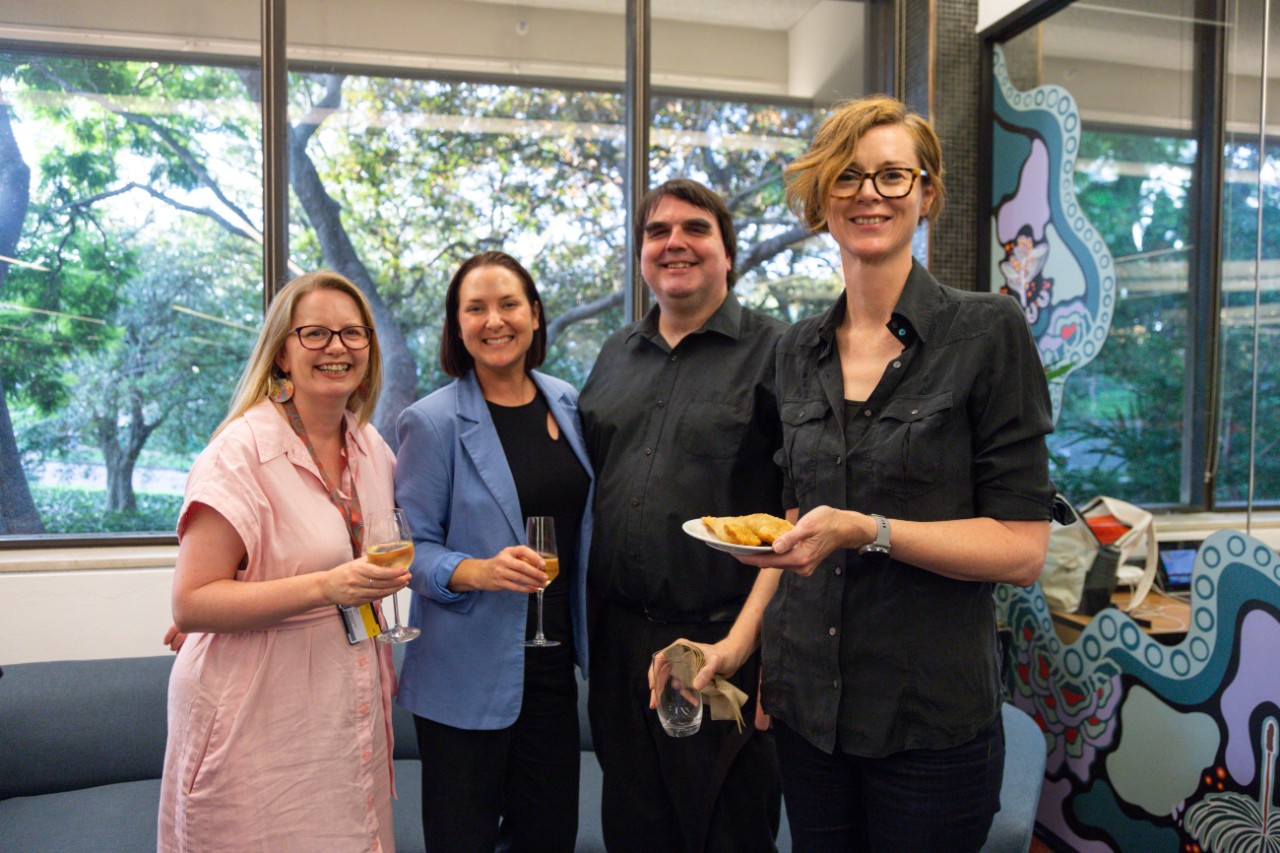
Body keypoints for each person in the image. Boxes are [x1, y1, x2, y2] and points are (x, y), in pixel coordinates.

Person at [715, 95, 1056, 851]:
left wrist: (871, 530)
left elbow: (1022, 549)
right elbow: (793, 532)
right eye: (848, 176)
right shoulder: (794, 350)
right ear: (820, 198)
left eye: (894, 176)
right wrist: (739, 649)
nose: (869, 193)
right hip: (809, 717)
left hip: (929, 725)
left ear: (927, 194)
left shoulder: (987, 332)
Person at [157, 270, 411, 852]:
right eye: (315, 333)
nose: (337, 348)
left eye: (353, 334)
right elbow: (193, 602)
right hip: (258, 721)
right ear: (281, 353)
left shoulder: (372, 449)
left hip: (345, 712)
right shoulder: (240, 452)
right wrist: (327, 586)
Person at [578, 178, 785, 853]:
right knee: (634, 831)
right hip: (619, 649)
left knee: (726, 834)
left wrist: (767, 654)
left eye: (695, 228)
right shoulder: (614, 357)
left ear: (728, 252)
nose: (674, 242)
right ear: (641, 253)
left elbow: (805, 515)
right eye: (657, 231)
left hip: (725, 646)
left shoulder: (779, 355)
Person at [393, 251, 594, 853]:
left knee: (549, 836)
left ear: (534, 314)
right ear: (457, 326)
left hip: (555, 668)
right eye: (474, 308)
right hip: (465, 677)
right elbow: (407, 552)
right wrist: (474, 570)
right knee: (465, 841)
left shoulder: (567, 401)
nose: (493, 320)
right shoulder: (430, 423)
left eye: (508, 304)